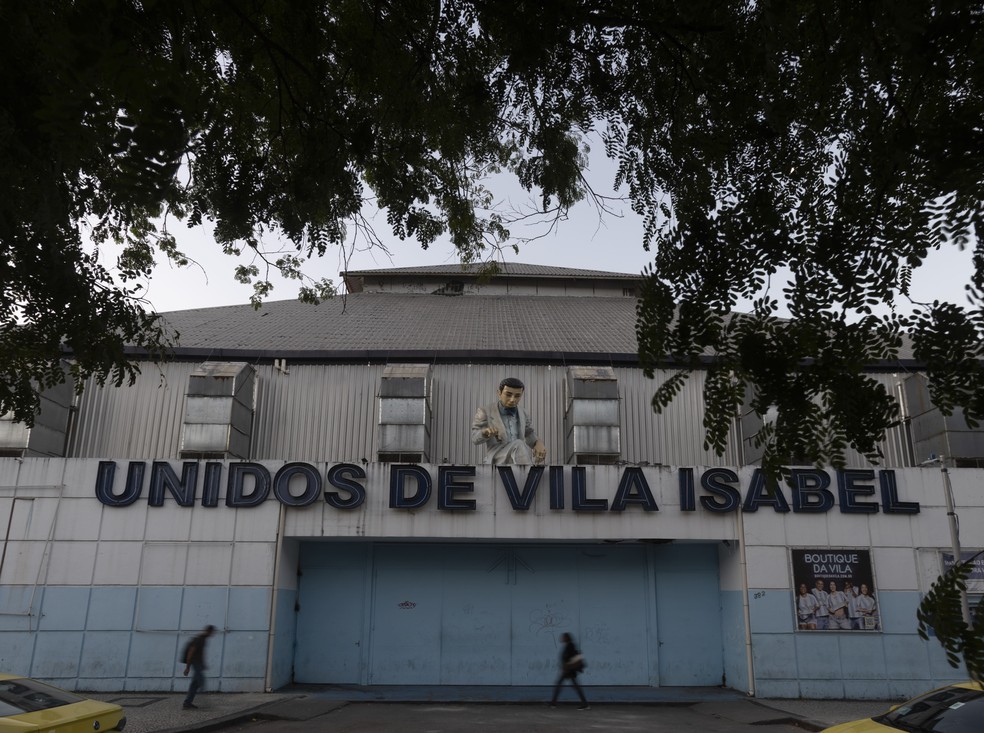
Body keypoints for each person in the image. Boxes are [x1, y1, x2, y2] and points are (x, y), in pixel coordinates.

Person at [471, 377, 547, 465]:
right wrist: (485, 433)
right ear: (499, 393)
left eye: (517, 396)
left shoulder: (524, 413)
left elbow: (529, 433)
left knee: (519, 445)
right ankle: (528, 475)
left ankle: (525, 474)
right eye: (508, 394)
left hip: (518, 458)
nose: (512, 399)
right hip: (497, 457)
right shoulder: (485, 411)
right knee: (519, 444)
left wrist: (538, 443)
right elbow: (474, 438)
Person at [550, 632, 589, 709]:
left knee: (572, 687)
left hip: (569, 671)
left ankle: (585, 704)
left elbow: (571, 658)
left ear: (567, 638)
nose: (562, 638)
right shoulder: (568, 645)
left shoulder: (570, 646)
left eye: (564, 637)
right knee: (560, 686)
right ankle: (553, 703)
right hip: (568, 671)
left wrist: (567, 667)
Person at [182, 625, 215, 709]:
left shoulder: (203, 639)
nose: (213, 634)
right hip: (195, 663)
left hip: (198, 663)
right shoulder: (199, 639)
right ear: (209, 631)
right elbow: (190, 653)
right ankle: (203, 692)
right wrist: (187, 667)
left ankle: (187, 703)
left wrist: (203, 663)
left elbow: (201, 653)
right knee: (200, 679)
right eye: (212, 632)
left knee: (194, 684)